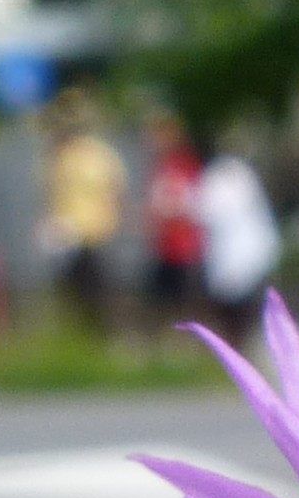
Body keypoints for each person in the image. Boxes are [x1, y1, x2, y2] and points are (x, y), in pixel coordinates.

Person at [39, 96, 126, 334]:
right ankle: (83, 335)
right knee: (75, 290)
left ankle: (98, 334)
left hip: (92, 232)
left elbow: (113, 191)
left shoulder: (91, 155)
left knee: (93, 289)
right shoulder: (64, 156)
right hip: (71, 233)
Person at [196, 141, 281, 322]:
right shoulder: (236, 173)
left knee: (239, 300)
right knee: (234, 298)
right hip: (236, 251)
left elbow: (207, 210)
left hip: (241, 251)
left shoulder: (224, 176)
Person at [141, 116, 205, 330]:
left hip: (182, 246)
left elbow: (187, 202)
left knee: (182, 297)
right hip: (166, 246)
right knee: (161, 297)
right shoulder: (162, 166)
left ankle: (183, 338)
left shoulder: (182, 165)